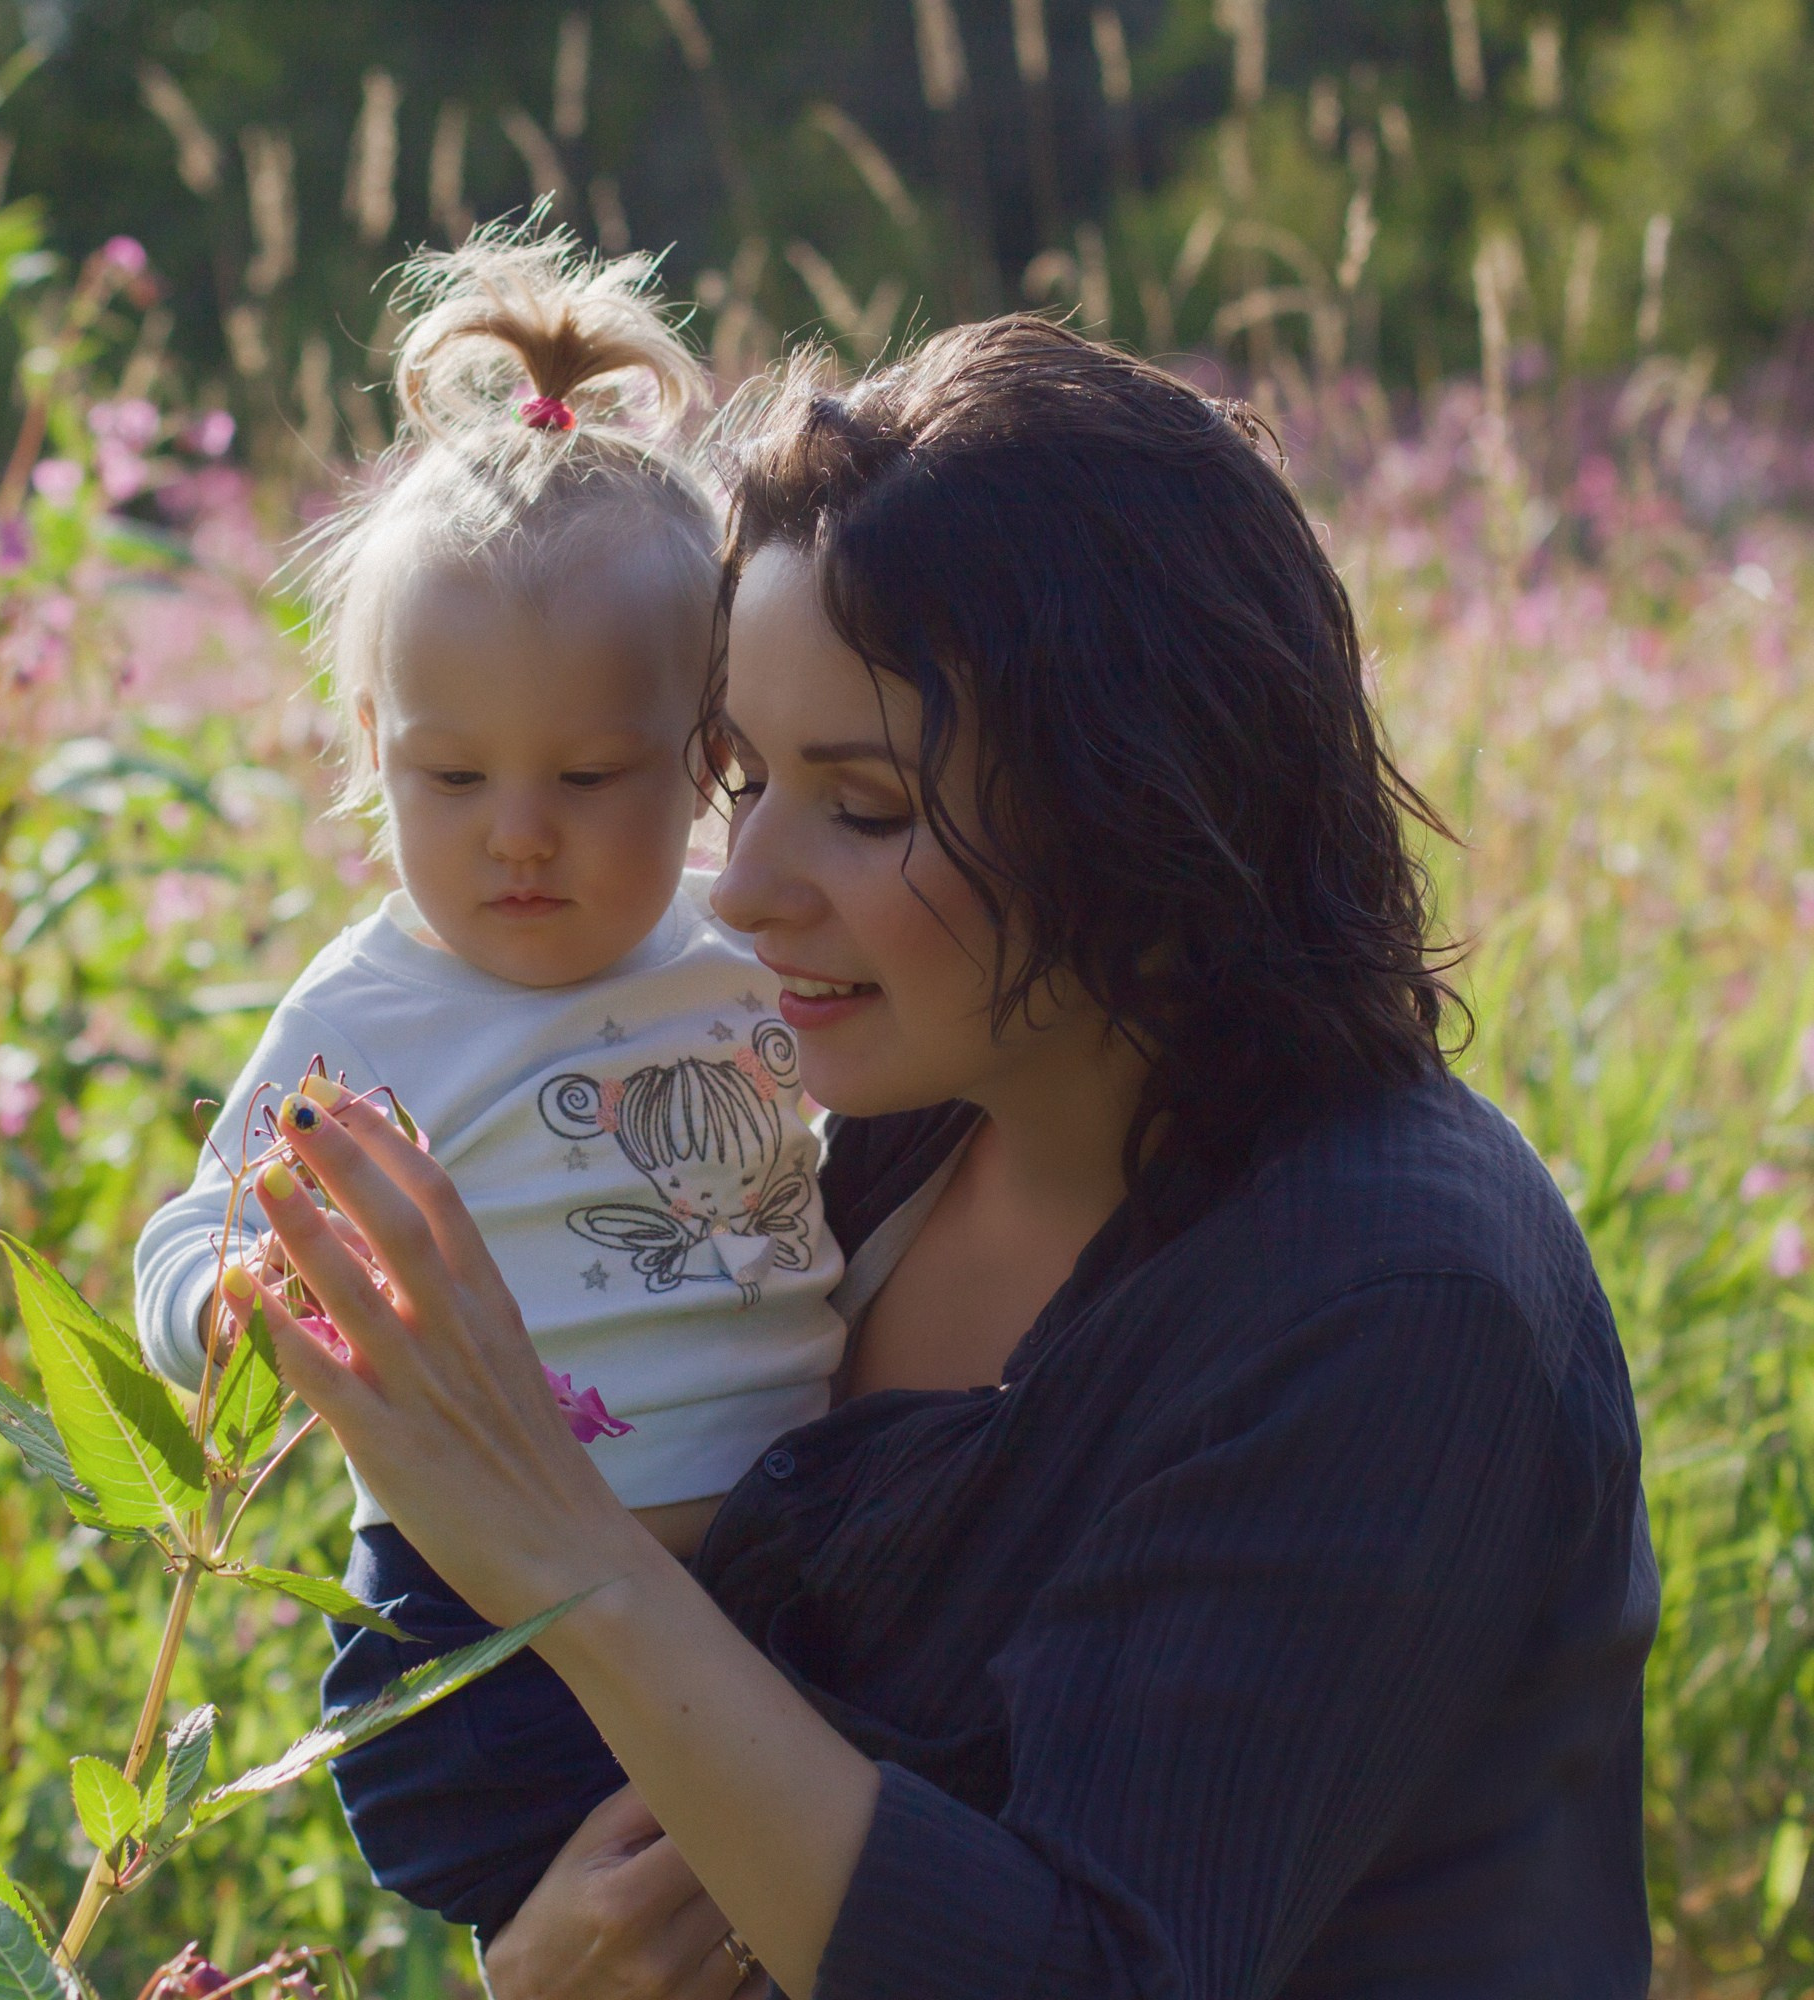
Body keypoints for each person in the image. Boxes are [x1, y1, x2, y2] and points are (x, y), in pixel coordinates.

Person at [242, 317, 1660, 2000]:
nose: (742, 887)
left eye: (865, 808)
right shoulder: (902, 1117)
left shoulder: (1398, 1311)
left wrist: (567, 1554)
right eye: (741, 777)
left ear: (1140, 801)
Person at [132, 228, 846, 1928]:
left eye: (590, 777)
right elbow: (193, 1222)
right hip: (485, 1621)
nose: (520, 834)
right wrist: (227, 1301)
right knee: (604, 1901)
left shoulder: (748, 949)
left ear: (708, 757)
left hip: (793, 1577)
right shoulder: (372, 1015)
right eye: (453, 778)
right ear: (372, 753)